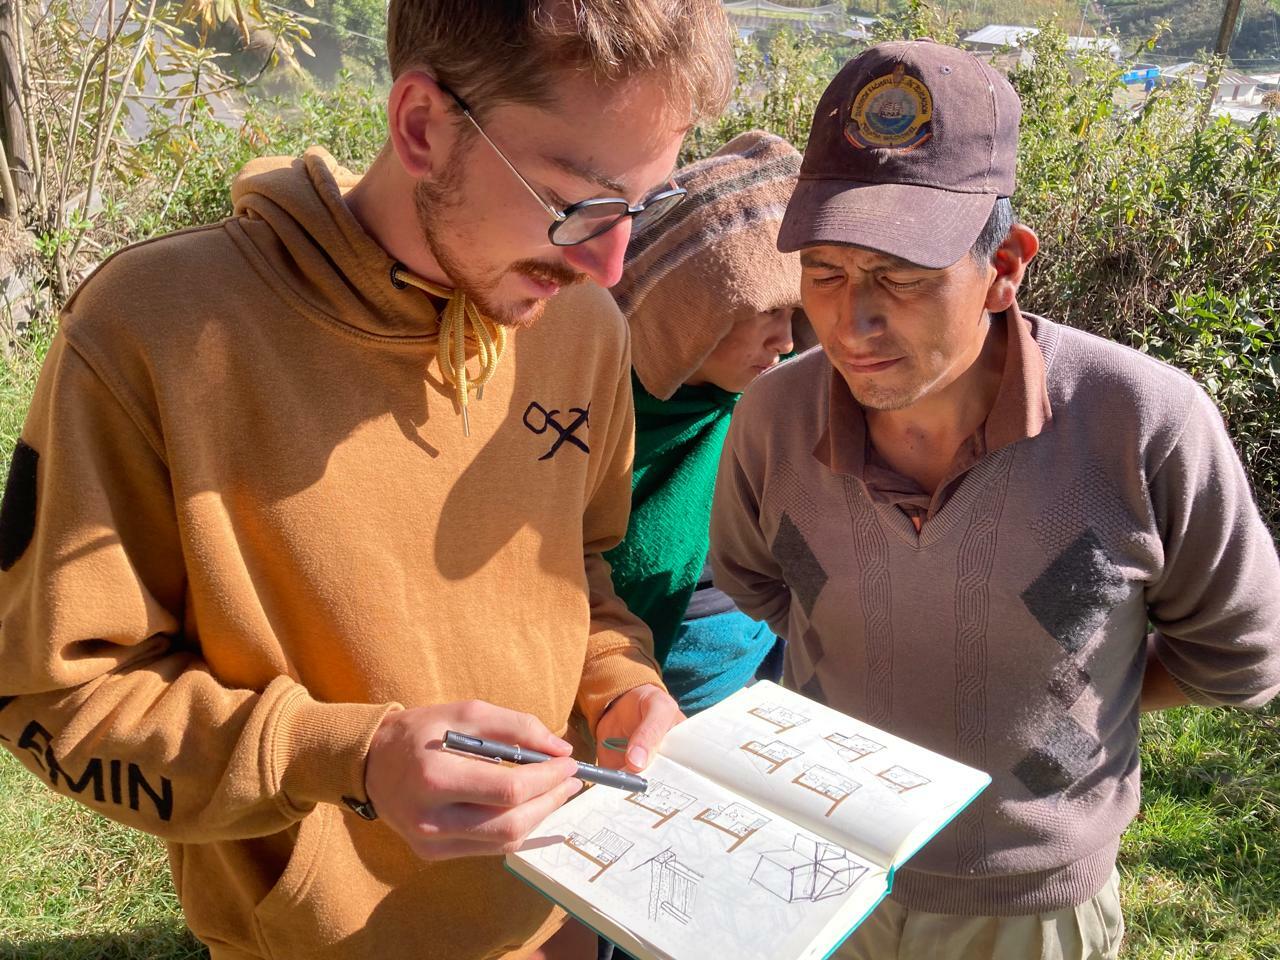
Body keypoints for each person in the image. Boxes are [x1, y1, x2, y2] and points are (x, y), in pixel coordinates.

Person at [0, 3, 735, 959]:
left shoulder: (585, 330)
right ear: (423, 126)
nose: (609, 262)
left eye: (642, 206)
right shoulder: (153, 332)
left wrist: (621, 685)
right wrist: (349, 759)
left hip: (557, 907)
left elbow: (580, 577)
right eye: (579, 201)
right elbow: (57, 705)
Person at [709, 39, 1280, 960]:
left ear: (1007, 264)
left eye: (900, 276)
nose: (851, 322)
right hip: (819, 869)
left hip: (1027, 903)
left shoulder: (1146, 425)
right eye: (824, 272)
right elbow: (759, 586)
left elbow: (1236, 657)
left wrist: (1064, 711)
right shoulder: (774, 418)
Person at [605, 129, 801, 716]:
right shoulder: (591, 410)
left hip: (758, 683)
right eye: (767, 311)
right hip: (628, 705)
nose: (787, 341)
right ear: (692, 309)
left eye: (795, 314)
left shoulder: (774, 403)